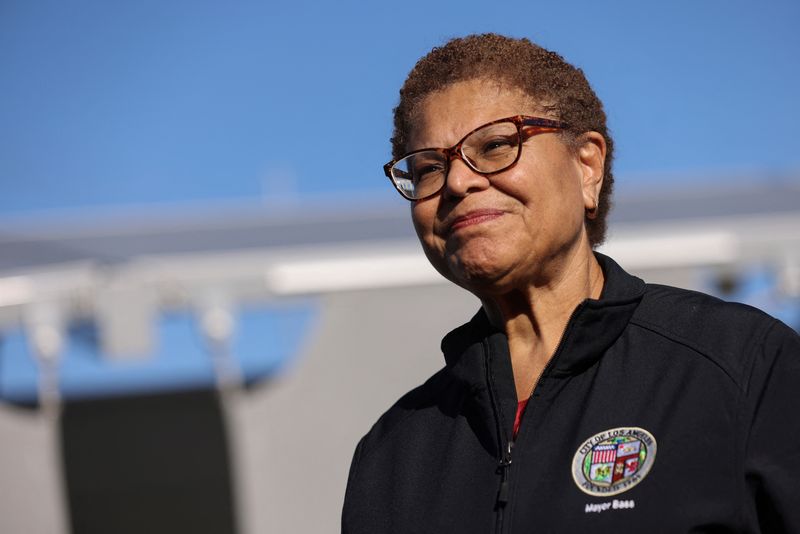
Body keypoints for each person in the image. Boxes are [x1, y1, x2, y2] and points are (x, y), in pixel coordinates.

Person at [342, 34, 800, 533]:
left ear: (587, 166)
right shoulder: (391, 456)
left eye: (496, 145)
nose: (457, 182)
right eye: (429, 167)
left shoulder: (741, 365)